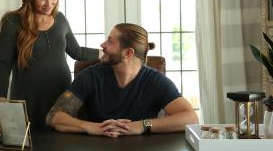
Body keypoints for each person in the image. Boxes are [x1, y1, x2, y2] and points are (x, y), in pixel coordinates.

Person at [0, 0, 102, 131]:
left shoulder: (60, 19)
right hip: (27, 99)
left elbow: (77, 52)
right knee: (28, 150)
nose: (49, 3)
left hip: (61, 97)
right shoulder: (11, 22)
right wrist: (0, 105)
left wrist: (105, 53)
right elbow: (3, 67)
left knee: (61, 149)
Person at [46, 23, 198, 137]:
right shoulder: (90, 76)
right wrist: (92, 127)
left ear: (128, 53)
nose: (102, 45)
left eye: (110, 41)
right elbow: (54, 116)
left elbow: (191, 118)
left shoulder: (155, 81)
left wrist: (142, 125)